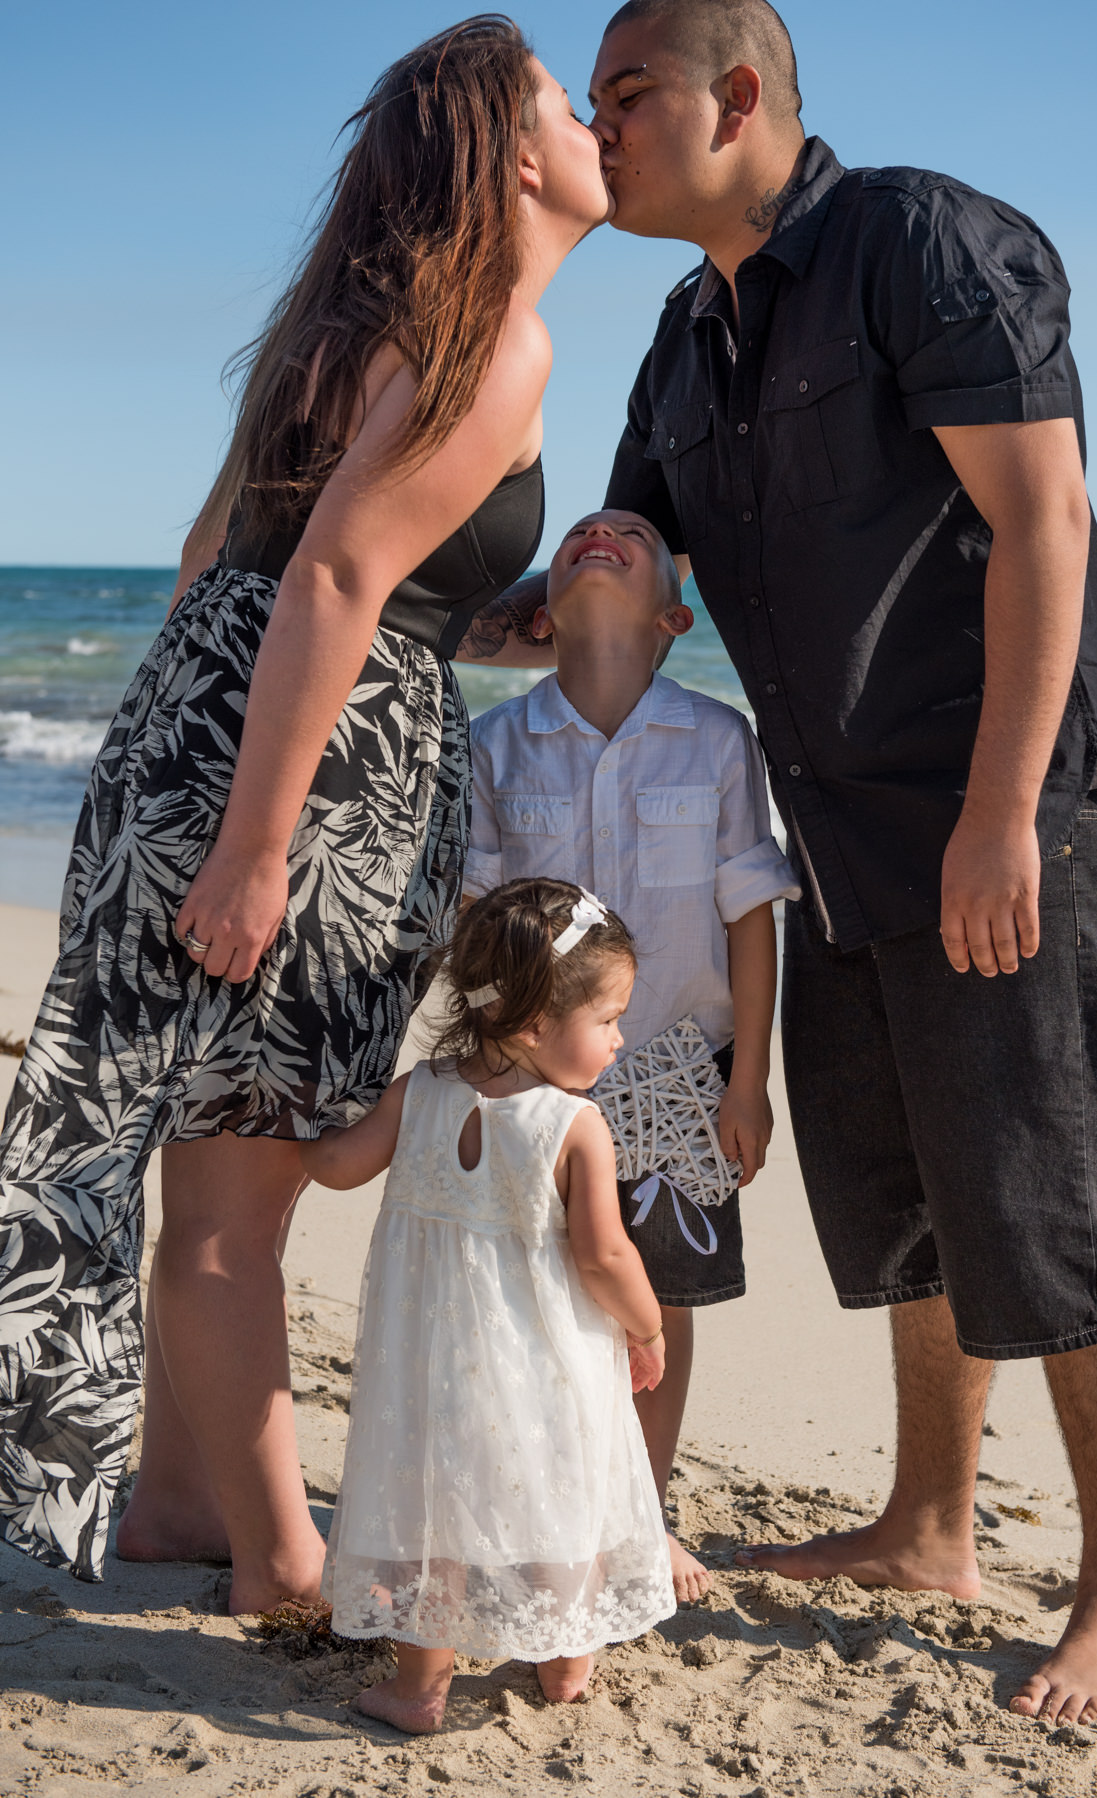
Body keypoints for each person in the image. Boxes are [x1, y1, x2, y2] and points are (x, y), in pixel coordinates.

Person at [462, 0, 1097, 1728]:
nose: (603, 123)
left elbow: (1046, 521)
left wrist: (1004, 810)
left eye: (624, 92)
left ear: (742, 95)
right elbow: (613, 585)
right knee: (910, 1193)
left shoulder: (920, 243)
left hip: (1005, 805)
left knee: (1058, 1189)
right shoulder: (682, 342)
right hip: (836, 828)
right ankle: (930, 1525)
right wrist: (385, 598)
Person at [0, 18, 612, 1608]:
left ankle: (178, 1509)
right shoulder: (498, 342)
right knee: (235, 1179)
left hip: (200, 726)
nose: (594, 118)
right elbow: (335, 575)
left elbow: (241, 563)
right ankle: (277, 1561)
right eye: (565, 99)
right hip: (307, 783)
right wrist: (259, 844)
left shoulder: (333, 330)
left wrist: (475, 624)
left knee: (197, 1151)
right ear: (515, 152)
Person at [464, 507, 797, 1603]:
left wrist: (748, 1079)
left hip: (679, 1078)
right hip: (534, 1083)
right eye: (576, 535)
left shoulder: (716, 739)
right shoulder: (499, 745)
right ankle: (544, 1507)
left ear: (673, 616)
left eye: (632, 533)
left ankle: (637, 1515)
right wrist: (483, 1067)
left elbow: (752, 914)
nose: (598, 530)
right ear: (541, 614)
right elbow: (476, 919)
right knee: (539, 1301)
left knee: (658, 1307)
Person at [299, 878, 675, 1731]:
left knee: (437, 1510)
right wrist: (648, 1328)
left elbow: (338, 1166)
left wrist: (287, 1126)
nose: (620, 1038)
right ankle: (565, 1658)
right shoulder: (572, 1125)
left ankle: (417, 1688)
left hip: (432, 1363)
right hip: (547, 1364)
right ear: (535, 1025)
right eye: (609, 1019)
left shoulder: (420, 1091)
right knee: (558, 1492)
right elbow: (605, 1254)